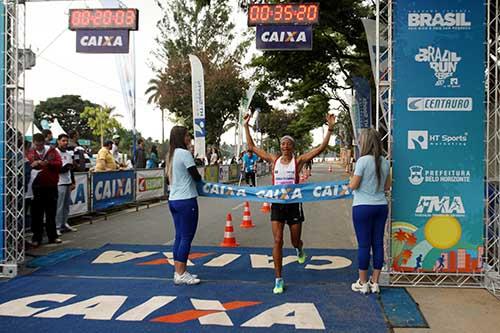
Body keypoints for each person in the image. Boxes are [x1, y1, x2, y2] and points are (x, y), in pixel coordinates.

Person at [243, 112, 336, 294]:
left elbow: (321, 147)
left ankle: (299, 249)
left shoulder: (298, 161)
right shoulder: (273, 160)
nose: (285, 146)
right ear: (280, 146)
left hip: (293, 205)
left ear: (293, 147)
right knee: (278, 240)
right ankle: (278, 279)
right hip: (277, 205)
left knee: (294, 241)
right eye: (283, 144)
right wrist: (246, 126)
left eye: (288, 144)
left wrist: (330, 128)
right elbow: (252, 147)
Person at [347, 128, 391, 294]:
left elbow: (354, 185)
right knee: (378, 243)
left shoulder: (362, 161)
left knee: (364, 245)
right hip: (381, 206)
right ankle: (375, 282)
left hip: (362, 207)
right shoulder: (385, 162)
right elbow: (387, 186)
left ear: (365, 143)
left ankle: (363, 282)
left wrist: (350, 181)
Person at [167, 126, 203, 285]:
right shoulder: (184, 154)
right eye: (188, 135)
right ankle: (181, 273)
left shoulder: (171, 155)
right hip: (186, 200)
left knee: (179, 236)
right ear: (181, 137)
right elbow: (196, 176)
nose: (189, 138)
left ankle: (179, 271)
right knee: (186, 237)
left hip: (174, 200)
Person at [27, 133, 63, 246]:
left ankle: (52, 236)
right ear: (33, 143)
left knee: (50, 213)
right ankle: (36, 237)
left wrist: (49, 163)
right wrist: (33, 164)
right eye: (36, 145)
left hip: (50, 186)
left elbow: (59, 164)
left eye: (40, 145)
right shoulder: (30, 152)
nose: (38, 147)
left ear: (44, 143)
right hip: (36, 187)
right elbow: (26, 165)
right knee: (36, 214)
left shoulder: (52, 151)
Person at [55, 134, 77, 234]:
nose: (65, 143)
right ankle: (57, 226)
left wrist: (73, 181)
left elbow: (71, 170)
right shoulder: (55, 152)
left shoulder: (68, 153)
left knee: (66, 205)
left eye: (66, 141)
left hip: (67, 181)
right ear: (58, 141)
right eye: (63, 141)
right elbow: (55, 168)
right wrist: (65, 167)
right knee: (59, 206)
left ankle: (64, 223)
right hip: (59, 182)